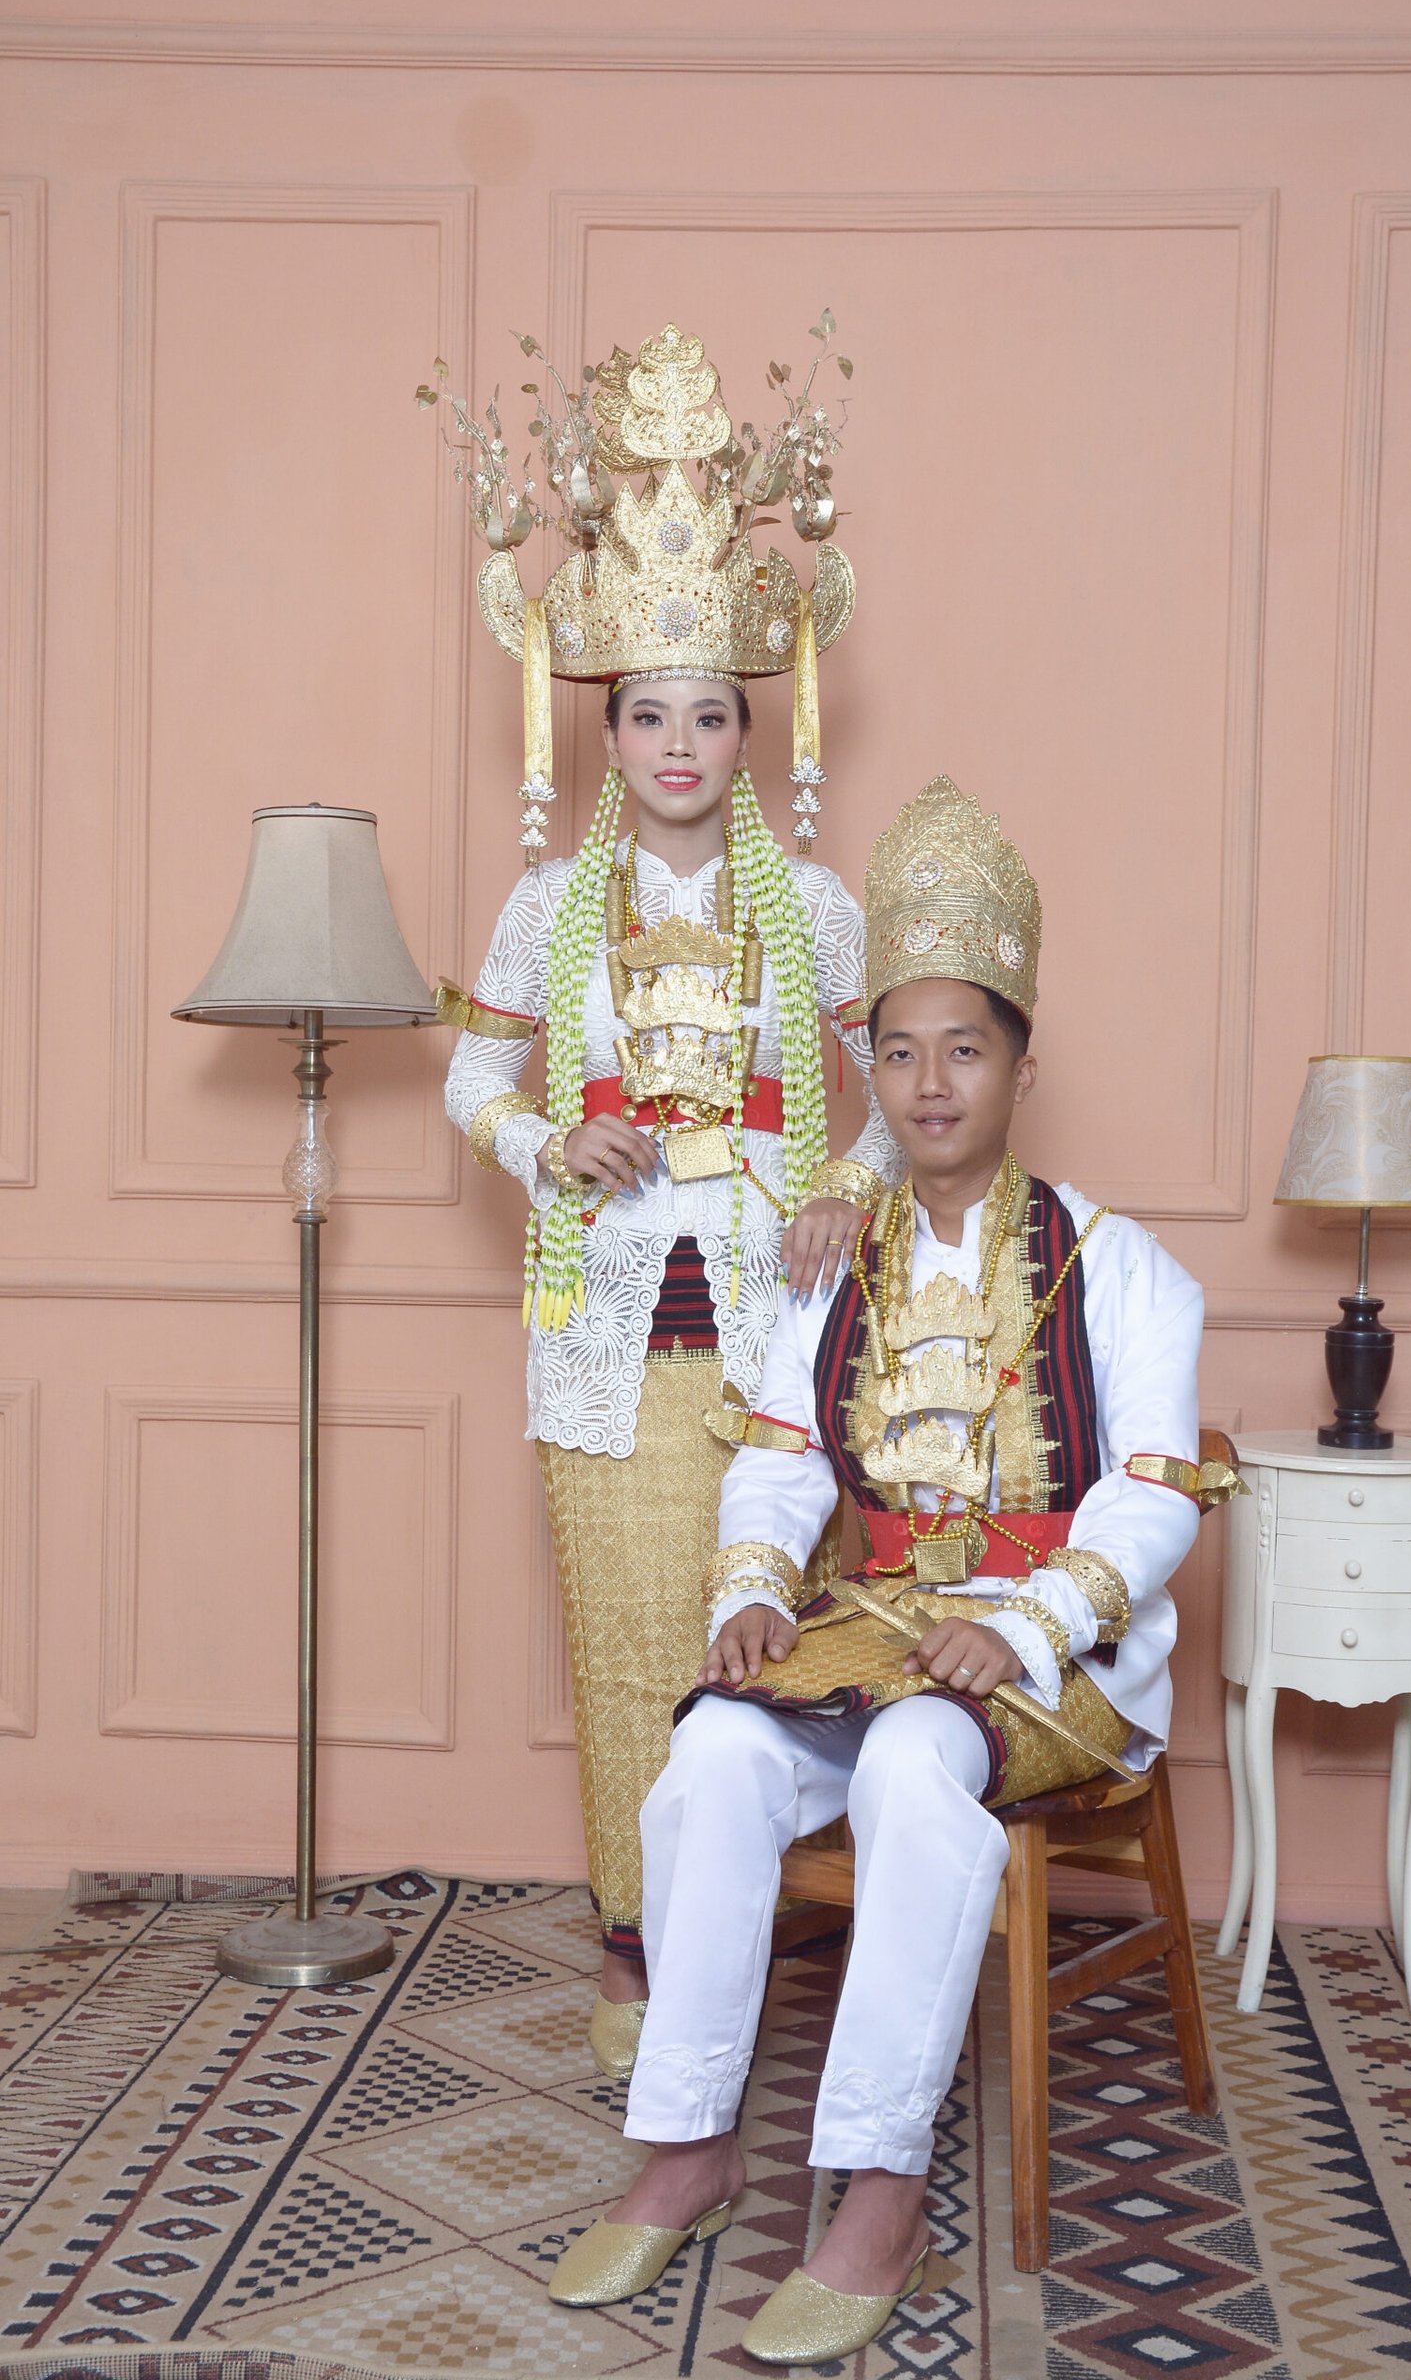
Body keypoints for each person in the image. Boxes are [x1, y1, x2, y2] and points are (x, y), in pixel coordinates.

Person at [546, 776, 1214, 2364]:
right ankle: (689, 2146)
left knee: (917, 1759)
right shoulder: (832, 1265)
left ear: (1023, 1065)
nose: (928, 1084)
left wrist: (1027, 1624)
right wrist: (750, 1591)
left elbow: (1154, 1504)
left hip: (1057, 1659)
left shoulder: (1125, 1269)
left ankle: (882, 2190)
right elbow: (783, 1458)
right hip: (875, 1625)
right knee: (713, 1753)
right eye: (899, 1053)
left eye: (963, 1050)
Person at [438, 323, 900, 2079]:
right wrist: (544, 1145)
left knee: (781, 1644)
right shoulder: (543, 907)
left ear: (749, 729)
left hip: (784, 1338)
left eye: (711, 713)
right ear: (607, 727)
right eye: (648, 712)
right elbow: (474, 1079)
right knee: (635, 1654)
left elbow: (907, 1100)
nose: (680, 742)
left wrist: (842, 1186)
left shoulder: (822, 907)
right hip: (610, 1338)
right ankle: (641, 1948)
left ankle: (784, 1940)